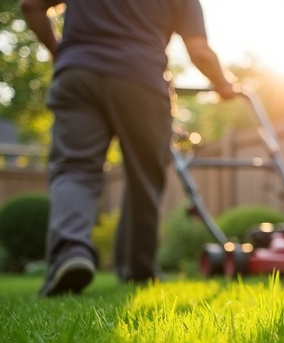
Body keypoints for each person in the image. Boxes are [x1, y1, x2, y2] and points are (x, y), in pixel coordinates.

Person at [20, 0, 237, 296]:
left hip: (77, 74)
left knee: (75, 170)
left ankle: (69, 253)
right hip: (141, 79)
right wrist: (224, 85)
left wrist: (61, 52)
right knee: (145, 177)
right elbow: (199, 51)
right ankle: (138, 270)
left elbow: (31, 5)